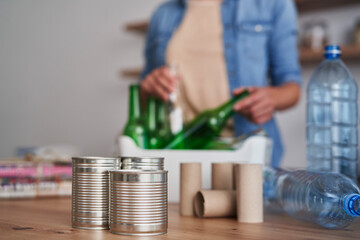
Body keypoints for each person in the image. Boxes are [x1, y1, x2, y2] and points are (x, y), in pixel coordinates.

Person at [140, 0, 302, 167]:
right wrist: (150, 87)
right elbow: (144, 93)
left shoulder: (272, 4)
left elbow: (292, 88)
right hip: (180, 153)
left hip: (247, 156)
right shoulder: (163, 14)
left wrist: (270, 98)